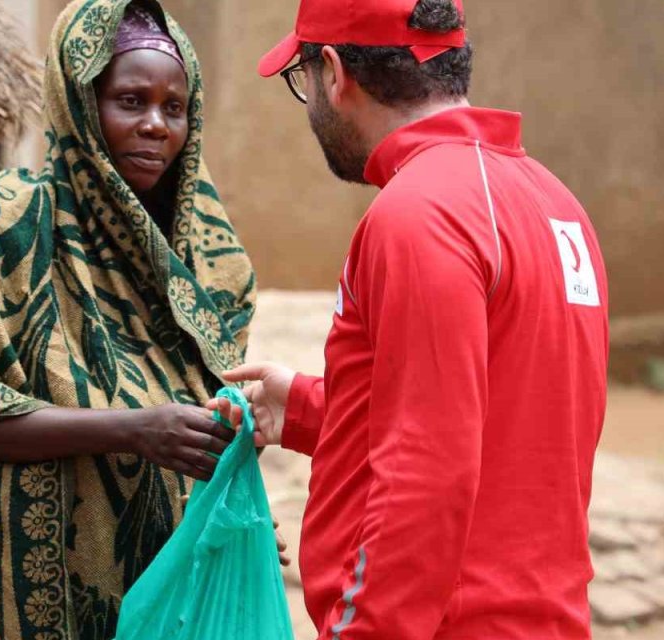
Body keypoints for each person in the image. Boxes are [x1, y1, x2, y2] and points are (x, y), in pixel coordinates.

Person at [213, 0, 610, 637]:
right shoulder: (554, 202)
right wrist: (314, 411)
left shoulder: (419, 214)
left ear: (335, 73)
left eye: (303, 79)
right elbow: (515, 418)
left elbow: (429, 472)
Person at [0, 2, 257, 639]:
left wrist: (236, 513)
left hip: (174, 584)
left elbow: (219, 429)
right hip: (10, 586)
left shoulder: (213, 263)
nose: (155, 125)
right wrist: (133, 430)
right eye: (129, 100)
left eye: (173, 108)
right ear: (80, 103)